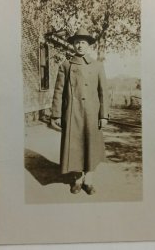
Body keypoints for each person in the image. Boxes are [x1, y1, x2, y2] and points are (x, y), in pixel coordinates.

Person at [51, 28, 109, 195]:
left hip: (92, 114)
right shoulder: (66, 65)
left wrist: (104, 114)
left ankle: (89, 181)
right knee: (75, 146)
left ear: (88, 45)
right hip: (72, 114)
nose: (80, 45)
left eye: (83, 42)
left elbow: (103, 91)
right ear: (73, 45)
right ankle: (77, 179)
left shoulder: (97, 66)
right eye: (77, 42)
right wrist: (56, 114)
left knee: (91, 147)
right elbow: (58, 91)